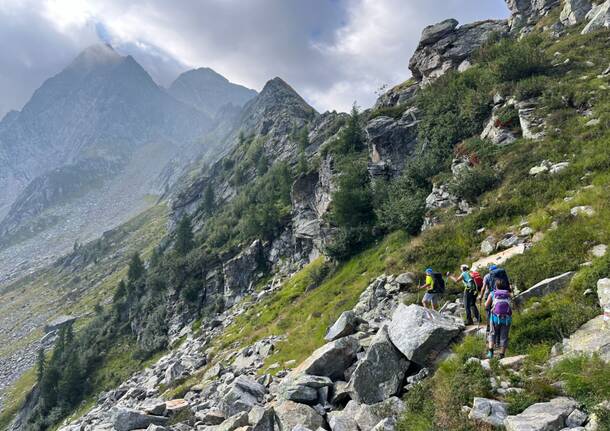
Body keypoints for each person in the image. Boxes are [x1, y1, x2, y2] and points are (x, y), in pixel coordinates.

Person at [485, 278, 512, 359]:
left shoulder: (493, 293)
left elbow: (486, 305)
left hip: (495, 318)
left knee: (492, 334)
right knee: (504, 336)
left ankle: (490, 352)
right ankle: (502, 355)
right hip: (506, 319)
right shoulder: (508, 294)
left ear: (496, 285)